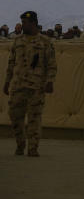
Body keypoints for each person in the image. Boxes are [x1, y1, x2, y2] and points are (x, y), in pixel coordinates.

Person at [3, 11, 57, 156]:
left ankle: (33, 148)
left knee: (34, 118)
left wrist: (50, 81)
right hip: (17, 86)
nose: (22, 25)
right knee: (14, 115)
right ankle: (20, 144)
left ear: (33, 23)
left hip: (36, 87)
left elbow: (51, 65)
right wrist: (7, 82)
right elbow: (11, 63)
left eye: (25, 22)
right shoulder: (17, 41)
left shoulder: (45, 42)